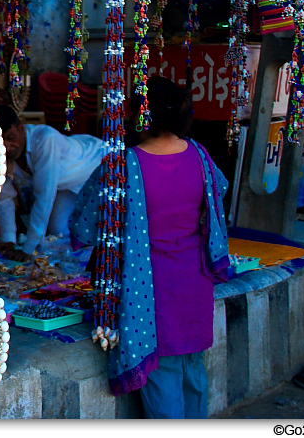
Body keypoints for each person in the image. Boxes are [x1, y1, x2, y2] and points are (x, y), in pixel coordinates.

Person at [69, 76, 230, 419]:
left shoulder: (122, 165)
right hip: (195, 285)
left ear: (140, 116)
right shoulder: (200, 155)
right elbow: (221, 190)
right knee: (193, 372)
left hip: (150, 291)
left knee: (163, 376)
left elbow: (83, 222)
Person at [0, 104, 106, 261]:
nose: (7, 147)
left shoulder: (45, 139)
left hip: (97, 164)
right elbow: (4, 197)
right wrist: (8, 239)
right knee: (58, 230)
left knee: (98, 230)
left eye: (11, 138)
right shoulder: (0, 153)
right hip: (64, 183)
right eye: (0, 142)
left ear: (21, 128)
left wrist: (29, 248)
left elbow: (44, 195)